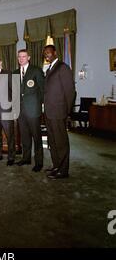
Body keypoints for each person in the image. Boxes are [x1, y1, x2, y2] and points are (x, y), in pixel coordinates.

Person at [43, 45, 75, 179]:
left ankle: (63, 170)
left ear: (55, 52)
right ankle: (56, 165)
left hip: (59, 112)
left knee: (61, 142)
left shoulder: (63, 67)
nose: (46, 55)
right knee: (53, 141)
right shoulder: (49, 69)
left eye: (48, 52)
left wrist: (66, 112)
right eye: (45, 53)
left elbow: (70, 92)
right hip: (49, 112)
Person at [14, 49, 44, 172]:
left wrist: (40, 105)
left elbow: (43, 89)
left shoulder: (36, 70)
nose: (21, 59)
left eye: (24, 56)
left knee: (36, 137)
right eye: (19, 57)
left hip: (33, 110)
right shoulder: (15, 73)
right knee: (24, 136)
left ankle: (39, 162)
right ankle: (26, 158)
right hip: (20, 111)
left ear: (29, 57)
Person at [0, 56, 16, 166]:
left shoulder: (8, 74)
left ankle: (11, 157)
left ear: (1, 63)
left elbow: (14, 91)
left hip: (7, 111)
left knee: (10, 135)